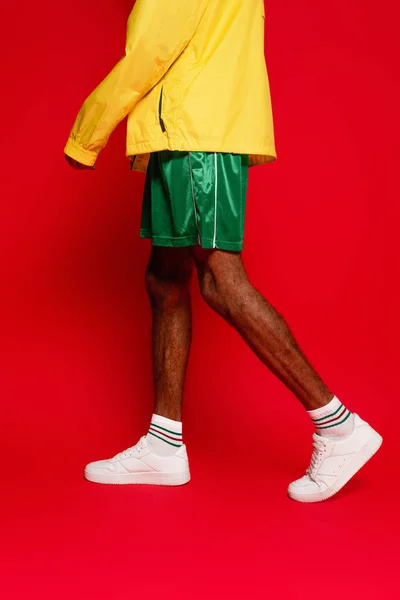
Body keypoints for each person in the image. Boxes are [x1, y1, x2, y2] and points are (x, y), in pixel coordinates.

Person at [64, 0, 382, 502]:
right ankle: (164, 446)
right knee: (165, 276)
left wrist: (88, 133)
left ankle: (339, 427)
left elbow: (151, 47)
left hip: (196, 132)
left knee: (220, 279)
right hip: (189, 129)